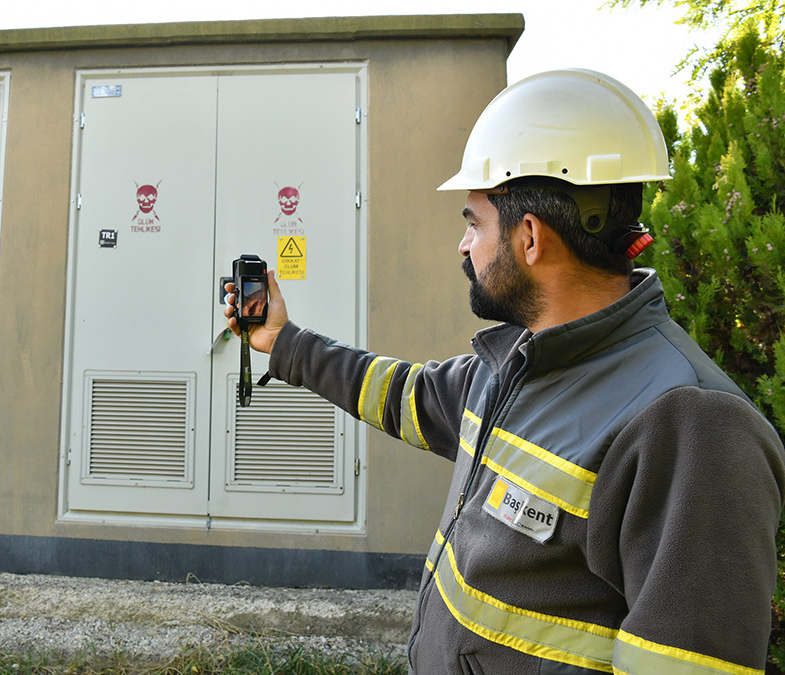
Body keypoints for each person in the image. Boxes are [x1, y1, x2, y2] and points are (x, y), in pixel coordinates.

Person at [225, 69, 785, 674]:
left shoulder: (693, 425)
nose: (462, 246)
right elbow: (401, 394)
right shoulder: (516, 365)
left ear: (530, 238)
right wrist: (281, 341)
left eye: (472, 222)